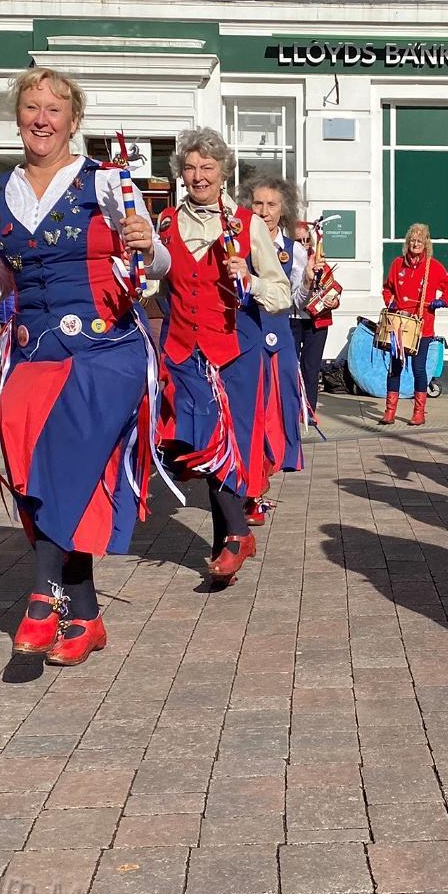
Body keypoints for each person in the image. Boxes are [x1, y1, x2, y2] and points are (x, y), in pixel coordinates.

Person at [0, 66, 167, 666]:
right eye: (31, 107)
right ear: (17, 117)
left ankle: (44, 595)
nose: (41, 118)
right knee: (40, 479)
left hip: (104, 352)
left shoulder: (108, 183)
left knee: (63, 463)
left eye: (54, 109)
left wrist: (148, 243)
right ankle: (86, 620)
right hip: (33, 356)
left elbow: (156, 265)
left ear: (73, 119)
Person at [154, 128, 291, 584]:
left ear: (223, 172)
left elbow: (281, 294)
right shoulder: (167, 224)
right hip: (184, 353)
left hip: (234, 353)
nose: (198, 176)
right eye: (190, 168)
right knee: (203, 448)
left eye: (207, 168)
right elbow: (162, 290)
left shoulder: (247, 224)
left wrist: (249, 280)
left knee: (225, 447)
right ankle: (229, 544)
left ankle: (232, 539)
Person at [240, 173, 305, 525]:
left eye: (271, 205)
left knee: (274, 415)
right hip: (244, 340)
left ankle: (259, 487)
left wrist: (314, 287)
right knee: (248, 413)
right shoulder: (236, 242)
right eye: (258, 204)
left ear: (284, 210)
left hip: (279, 342)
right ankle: (249, 491)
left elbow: (299, 302)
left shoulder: (294, 251)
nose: (264, 211)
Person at [380, 223, 448, 427]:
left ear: (426, 244)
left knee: (418, 369)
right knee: (394, 368)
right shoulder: (397, 264)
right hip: (398, 325)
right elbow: (387, 289)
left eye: (419, 241)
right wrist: (391, 302)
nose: (415, 244)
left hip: (422, 327)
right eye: (412, 240)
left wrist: (442, 302)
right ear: (407, 243)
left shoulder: (434, 267)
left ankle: (419, 412)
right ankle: (389, 412)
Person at [287, 217, 339, 425]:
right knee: (290, 366)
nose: (304, 244)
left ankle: (308, 410)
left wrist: (333, 301)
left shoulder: (318, 261)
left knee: (311, 367)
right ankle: (290, 408)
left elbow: (332, 290)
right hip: (292, 319)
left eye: (307, 240)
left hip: (316, 322)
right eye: (299, 240)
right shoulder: (286, 260)